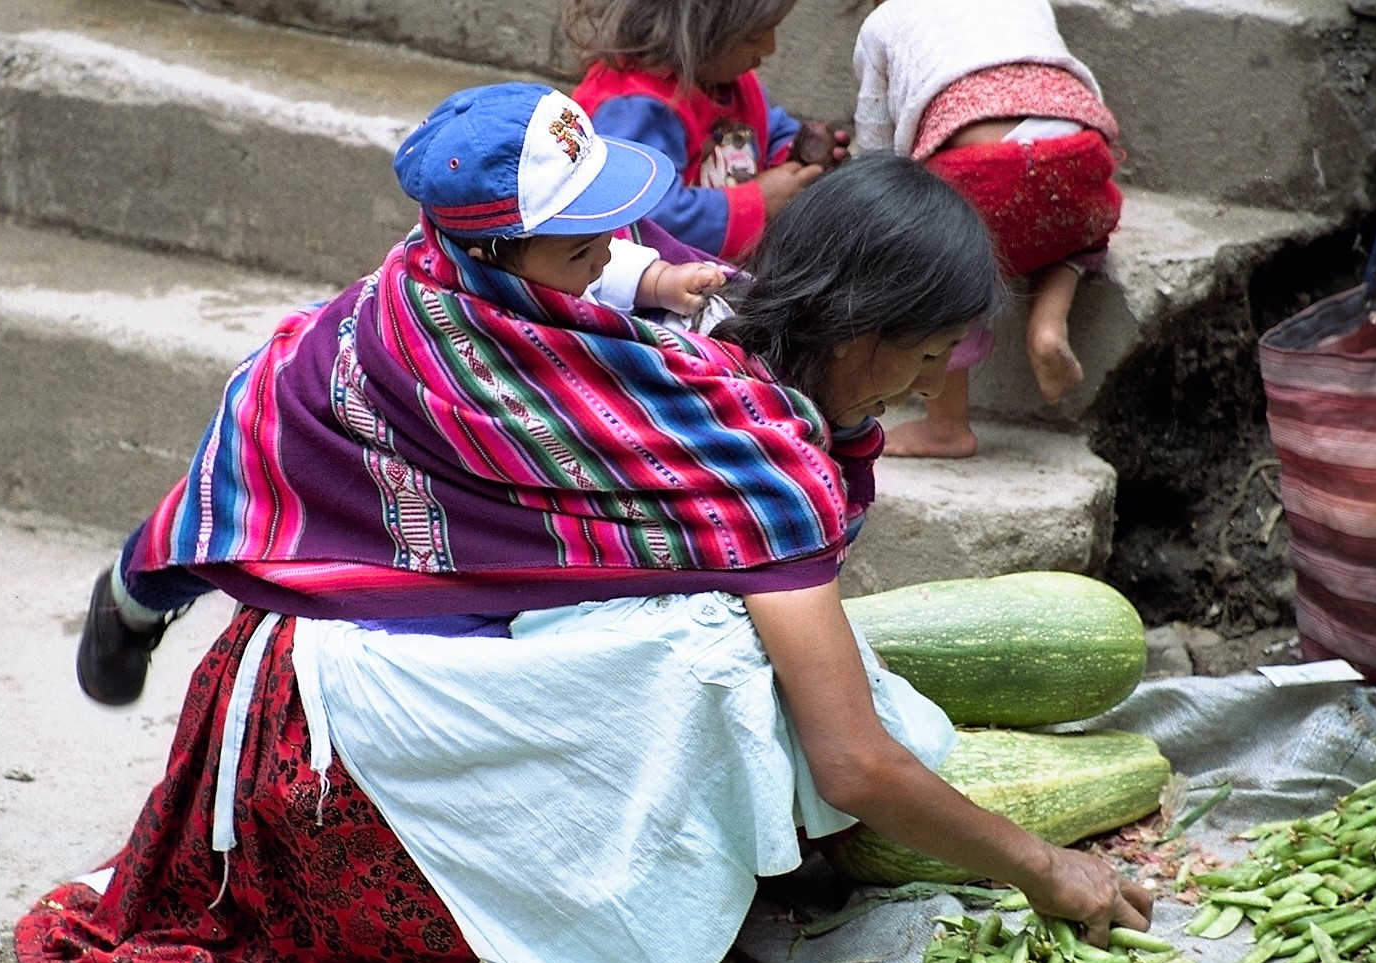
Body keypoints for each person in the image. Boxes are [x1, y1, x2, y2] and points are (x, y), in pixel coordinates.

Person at [19, 82, 1152, 963]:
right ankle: (148, 585)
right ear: (854, 329)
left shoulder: (552, 306)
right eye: (921, 356)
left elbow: (598, 286)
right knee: (720, 653)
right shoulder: (735, 453)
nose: (928, 385)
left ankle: (151, 580)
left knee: (723, 634)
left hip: (298, 647)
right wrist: (1045, 866)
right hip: (331, 726)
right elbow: (851, 760)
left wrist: (640, 274)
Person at [74, 84, 729, 706]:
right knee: (229, 519)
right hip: (318, 425)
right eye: (586, 249)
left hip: (417, 463)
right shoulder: (442, 354)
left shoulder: (528, 260)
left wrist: (659, 281)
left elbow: (599, 261)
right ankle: (129, 604)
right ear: (489, 256)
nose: (604, 260)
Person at [853, 0, 1123, 458]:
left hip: (981, 171)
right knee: (1079, 228)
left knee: (946, 268)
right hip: (1079, 151)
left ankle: (946, 428)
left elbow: (878, 153)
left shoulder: (884, 23)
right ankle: (1048, 324)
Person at [562, 0, 850, 262]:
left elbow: (769, 127)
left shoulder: (729, 81)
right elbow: (645, 217)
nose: (769, 48)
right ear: (697, 30)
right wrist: (759, 203)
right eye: (753, 36)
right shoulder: (636, 107)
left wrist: (799, 156)